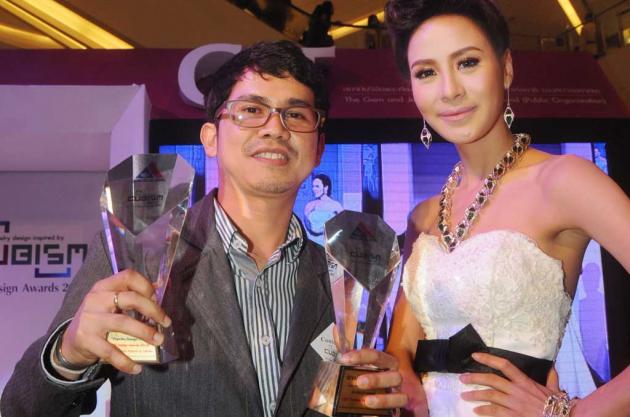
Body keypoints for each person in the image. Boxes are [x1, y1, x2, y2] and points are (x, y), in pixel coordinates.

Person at [1, 41, 406, 417]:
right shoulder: (135, 255)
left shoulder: (344, 281)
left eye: (296, 114)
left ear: (318, 149)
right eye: (251, 110)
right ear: (210, 138)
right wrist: (68, 355)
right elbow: (21, 407)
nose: (275, 128)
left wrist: (379, 402)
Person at [383, 1, 630, 416]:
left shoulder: (564, 181)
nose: (449, 90)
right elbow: (402, 347)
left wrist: (572, 413)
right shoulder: (423, 216)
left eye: (467, 63)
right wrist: (399, 380)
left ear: (507, 69)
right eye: (426, 72)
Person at [303, 173, 344, 245]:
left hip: (329, 243)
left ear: (326, 188)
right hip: (311, 242)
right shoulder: (310, 205)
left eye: (317, 186)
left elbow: (343, 225)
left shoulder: (336, 205)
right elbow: (306, 224)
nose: (314, 189)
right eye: (313, 186)